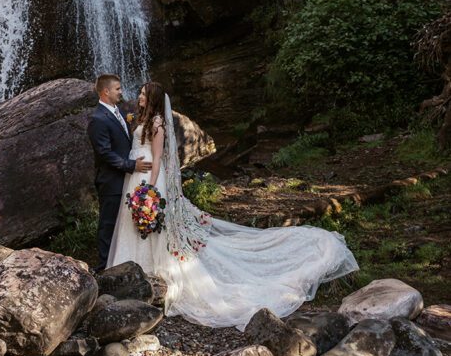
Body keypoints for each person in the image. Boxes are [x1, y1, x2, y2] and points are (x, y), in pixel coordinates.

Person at [107, 81, 359, 330]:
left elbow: (159, 156)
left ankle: (153, 275)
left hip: (149, 176)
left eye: (142, 93)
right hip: (135, 175)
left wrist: (150, 189)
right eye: (139, 92)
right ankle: (128, 274)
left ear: (152, 98)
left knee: (155, 225)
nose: (138, 95)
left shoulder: (158, 123)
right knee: (134, 222)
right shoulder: (141, 120)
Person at [87, 73, 152, 272]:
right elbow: (105, 153)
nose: (121, 92)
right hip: (111, 180)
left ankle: (119, 263)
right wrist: (131, 165)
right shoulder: (97, 118)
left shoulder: (117, 111)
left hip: (125, 179)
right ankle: (103, 269)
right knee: (108, 224)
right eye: (117, 89)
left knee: (122, 224)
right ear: (106, 91)